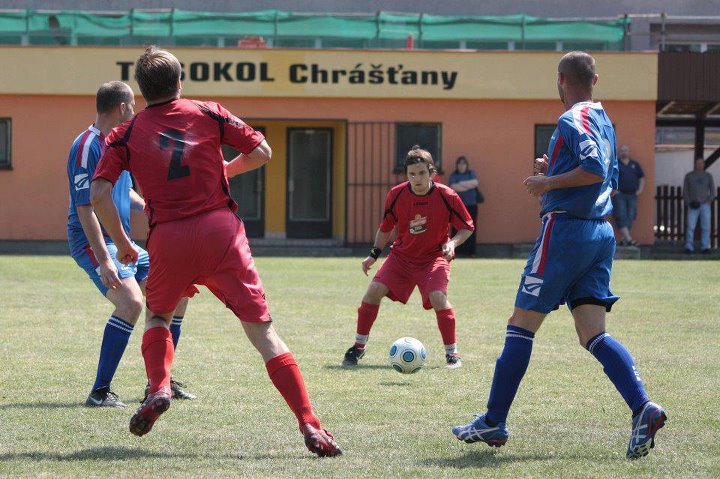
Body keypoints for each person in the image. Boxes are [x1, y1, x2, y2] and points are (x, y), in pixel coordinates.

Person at [90, 46, 340, 457]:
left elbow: (99, 193)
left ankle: (159, 387)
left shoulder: (127, 132)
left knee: (158, 315)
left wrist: (120, 242)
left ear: (141, 88)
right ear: (179, 82)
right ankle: (310, 424)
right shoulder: (208, 111)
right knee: (262, 330)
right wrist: (224, 169)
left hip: (168, 235)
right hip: (220, 230)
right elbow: (262, 152)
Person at [451, 52, 666, 459]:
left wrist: (547, 182)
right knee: (593, 333)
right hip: (600, 232)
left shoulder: (573, 118)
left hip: (567, 231)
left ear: (561, 80)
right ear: (595, 79)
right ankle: (644, 408)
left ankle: (494, 420)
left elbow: (593, 170)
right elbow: (604, 175)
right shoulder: (605, 121)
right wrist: (556, 170)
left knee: (521, 324)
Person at [66, 81, 195, 409]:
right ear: (122, 107)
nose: (136, 110)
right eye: (133, 105)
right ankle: (100, 392)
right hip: (93, 241)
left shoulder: (120, 142)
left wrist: (148, 206)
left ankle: (159, 383)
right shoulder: (86, 147)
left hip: (124, 242)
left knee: (176, 296)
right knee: (131, 303)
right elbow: (85, 207)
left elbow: (124, 189)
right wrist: (104, 259)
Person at [342, 146, 474, 369]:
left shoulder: (447, 196)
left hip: (434, 258)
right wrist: (373, 254)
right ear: (406, 174)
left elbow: (467, 227)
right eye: (412, 174)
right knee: (373, 292)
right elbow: (385, 228)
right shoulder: (396, 194)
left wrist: (452, 243)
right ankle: (358, 348)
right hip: (401, 257)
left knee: (438, 297)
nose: (417, 178)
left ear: (431, 172)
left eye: (422, 173)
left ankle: (452, 354)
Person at [612, 145, 645, 246]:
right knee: (621, 215)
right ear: (619, 152)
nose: (624, 152)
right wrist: (613, 190)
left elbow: (642, 178)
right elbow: (610, 177)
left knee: (631, 216)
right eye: (622, 151)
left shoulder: (634, 164)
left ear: (629, 152)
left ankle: (624, 239)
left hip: (632, 194)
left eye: (626, 150)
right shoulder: (616, 164)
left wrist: (639, 190)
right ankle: (630, 240)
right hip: (620, 194)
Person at [449, 156, 480, 256]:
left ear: (466, 165)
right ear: (457, 165)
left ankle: (471, 252)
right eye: (459, 163)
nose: (461, 165)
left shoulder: (471, 173)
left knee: (471, 228)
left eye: (463, 163)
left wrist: (460, 184)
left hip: (471, 204)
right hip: (457, 206)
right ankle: (456, 250)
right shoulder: (453, 175)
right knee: (457, 228)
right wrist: (467, 185)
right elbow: (453, 187)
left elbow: (475, 183)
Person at [683, 157, 716, 254]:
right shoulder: (689, 176)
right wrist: (689, 202)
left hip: (705, 205)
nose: (699, 165)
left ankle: (705, 247)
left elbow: (713, 192)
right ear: (694, 164)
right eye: (698, 163)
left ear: (704, 164)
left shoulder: (708, 176)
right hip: (693, 205)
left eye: (701, 163)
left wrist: (708, 202)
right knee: (690, 226)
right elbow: (685, 191)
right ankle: (689, 247)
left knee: (706, 227)